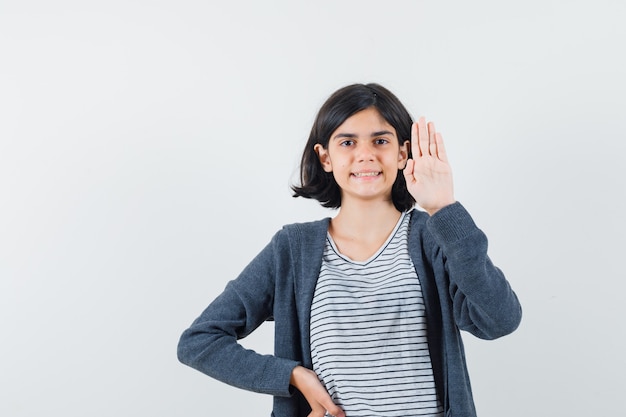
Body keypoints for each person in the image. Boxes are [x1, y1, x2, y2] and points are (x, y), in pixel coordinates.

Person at [177, 83, 522, 417]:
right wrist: (293, 376)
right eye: (347, 142)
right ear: (325, 157)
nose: (365, 154)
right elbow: (200, 341)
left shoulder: (432, 237)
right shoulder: (293, 250)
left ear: (402, 153)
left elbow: (499, 320)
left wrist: (443, 208)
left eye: (380, 140)